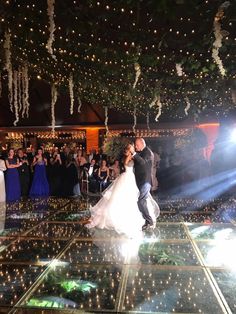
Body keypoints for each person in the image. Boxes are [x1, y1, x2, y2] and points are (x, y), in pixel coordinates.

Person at [85, 143, 159, 237]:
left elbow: (139, 163)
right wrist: (131, 155)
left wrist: (134, 155)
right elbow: (125, 164)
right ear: (128, 150)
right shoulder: (128, 157)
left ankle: (146, 218)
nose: (133, 149)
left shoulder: (135, 156)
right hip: (127, 177)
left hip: (132, 178)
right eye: (130, 149)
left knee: (135, 198)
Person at [130, 137, 158, 231]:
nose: (136, 147)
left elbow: (143, 163)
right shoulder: (142, 152)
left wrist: (134, 153)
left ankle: (150, 221)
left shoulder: (148, 152)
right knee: (143, 202)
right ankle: (147, 221)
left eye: (137, 145)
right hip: (141, 181)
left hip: (146, 181)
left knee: (141, 201)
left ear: (141, 144)